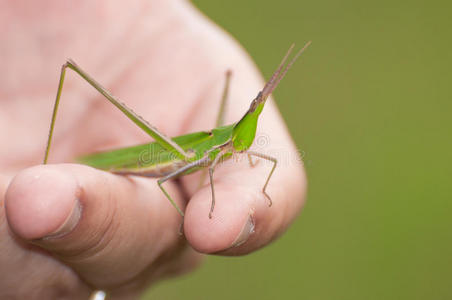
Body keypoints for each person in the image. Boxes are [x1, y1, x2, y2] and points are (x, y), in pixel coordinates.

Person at [0, 0, 307, 299]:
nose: (256, 110)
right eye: (255, 105)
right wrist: (204, 202)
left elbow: (265, 164)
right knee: (73, 70)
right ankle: (45, 167)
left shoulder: (240, 144)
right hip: (173, 155)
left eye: (258, 108)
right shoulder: (214, 151)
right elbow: (164, 181)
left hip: (204, 148)